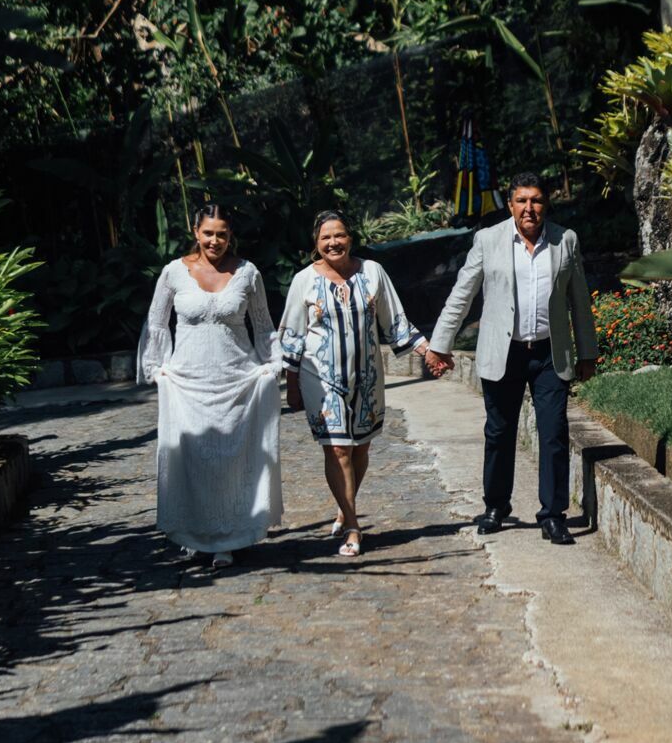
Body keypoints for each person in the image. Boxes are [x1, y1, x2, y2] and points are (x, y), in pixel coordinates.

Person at [426, 172, 597, 546]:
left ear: (545, 204)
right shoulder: (488, 241)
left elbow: (579, 302)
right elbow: (462, 294)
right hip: (504, 352)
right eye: (522, 201)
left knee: (554, 433)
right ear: (510, 205)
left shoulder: (565, 240)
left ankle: (552, 515)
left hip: (549, 353)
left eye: (536, 200)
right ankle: (496, 506)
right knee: (499, 431)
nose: (529, 208)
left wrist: (587, 352)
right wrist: (440, 344)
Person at [277, 210, 449, 559]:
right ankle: (354, 526)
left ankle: (344, 506)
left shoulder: (372, 272)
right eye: (326, 237)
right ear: (316, 243)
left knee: (360, 449)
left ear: (350, 238)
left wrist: (428, 350)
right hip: (321, 379)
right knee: (338, 448)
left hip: (367, 377)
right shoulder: (304, 281)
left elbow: (395, 321)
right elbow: (292, 335)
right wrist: (292, 383)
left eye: (339, 235)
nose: (333, 243)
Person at [138, 202, 282, 568]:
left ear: (230, 235)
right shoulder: (174, 272)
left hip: (236, 380)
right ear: (195, 232)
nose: (214, 240)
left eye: (221, 233)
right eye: (208, 233)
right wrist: (157, 367)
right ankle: (194, 533)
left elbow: (263, 325)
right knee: (192, 458)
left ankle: (229, 538)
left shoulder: (247, 272)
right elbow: (158, 320)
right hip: (188, 381)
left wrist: (272, 364)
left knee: (231, 460)